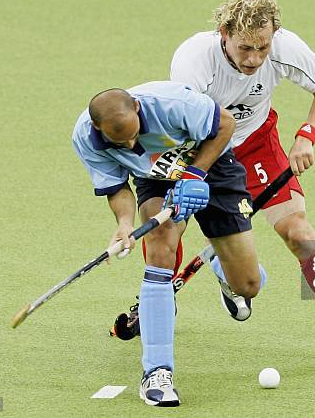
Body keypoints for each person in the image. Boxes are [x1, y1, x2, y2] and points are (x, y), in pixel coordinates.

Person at [168, 0, 315, 368]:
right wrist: (199, 174)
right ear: (224, 33)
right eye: (245, 48)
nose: (254, 59)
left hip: (255, 146)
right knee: (169, 230)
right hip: (197, 151)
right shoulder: (193, 60)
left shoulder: (284, 47)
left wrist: (306, 136)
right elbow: (185, 128)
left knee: (299, 231)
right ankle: (159, 300)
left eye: (262, 48)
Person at [72, 81, 265, 407]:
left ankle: (220, 264)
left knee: (249, 284)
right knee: (160, 247)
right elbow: (117, 187)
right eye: (122, 142)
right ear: (97, 127)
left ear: (137, 107)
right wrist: (124, 224)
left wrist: (194, 175)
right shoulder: (86, 138)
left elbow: (225, 124)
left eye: (134, 134)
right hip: (155, 179)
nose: (132, 143)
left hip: (211, 164)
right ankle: (156, 374)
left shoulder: (172, 104)